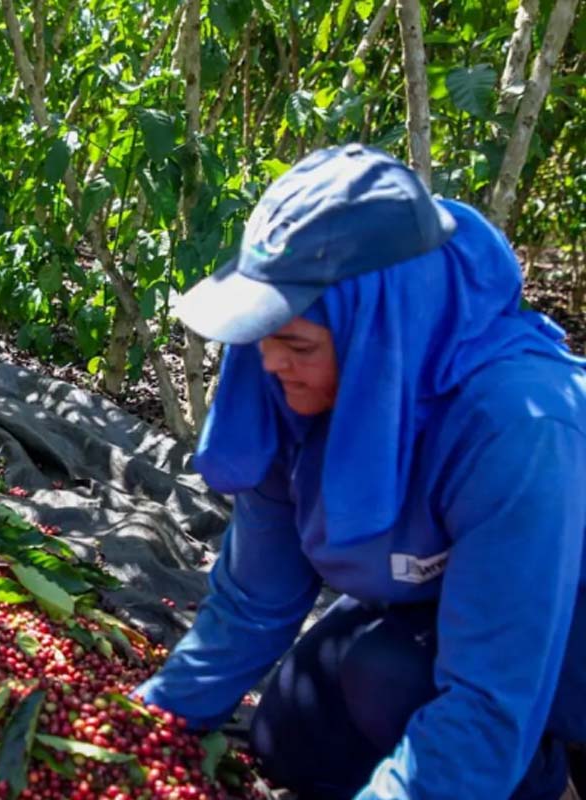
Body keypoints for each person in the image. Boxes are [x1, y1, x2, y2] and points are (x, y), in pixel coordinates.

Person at [136, 144, 586, 799]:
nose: (269, 362)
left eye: (296, 345)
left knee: (389, 679)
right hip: (441, 610)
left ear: (380, 333)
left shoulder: (520, 425)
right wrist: (154, 721)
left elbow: (492, 693)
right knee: (289, 729)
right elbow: (255, 597)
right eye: (267, 335)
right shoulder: (294, 382)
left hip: (557, 637)